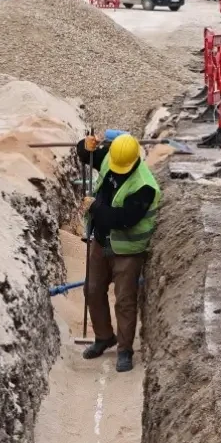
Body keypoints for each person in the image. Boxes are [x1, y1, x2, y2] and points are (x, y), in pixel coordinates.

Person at [75, 132, 161, 373]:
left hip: (128, 249)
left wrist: (95, 206)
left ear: (134, 160)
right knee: (91, 290)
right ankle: (104, 337)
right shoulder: (112, 157)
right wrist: (86, 146)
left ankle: (125, 349)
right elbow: (86, 156)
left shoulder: (145, 186)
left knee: (124, 300)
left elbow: (122, 219)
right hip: (101, 242)